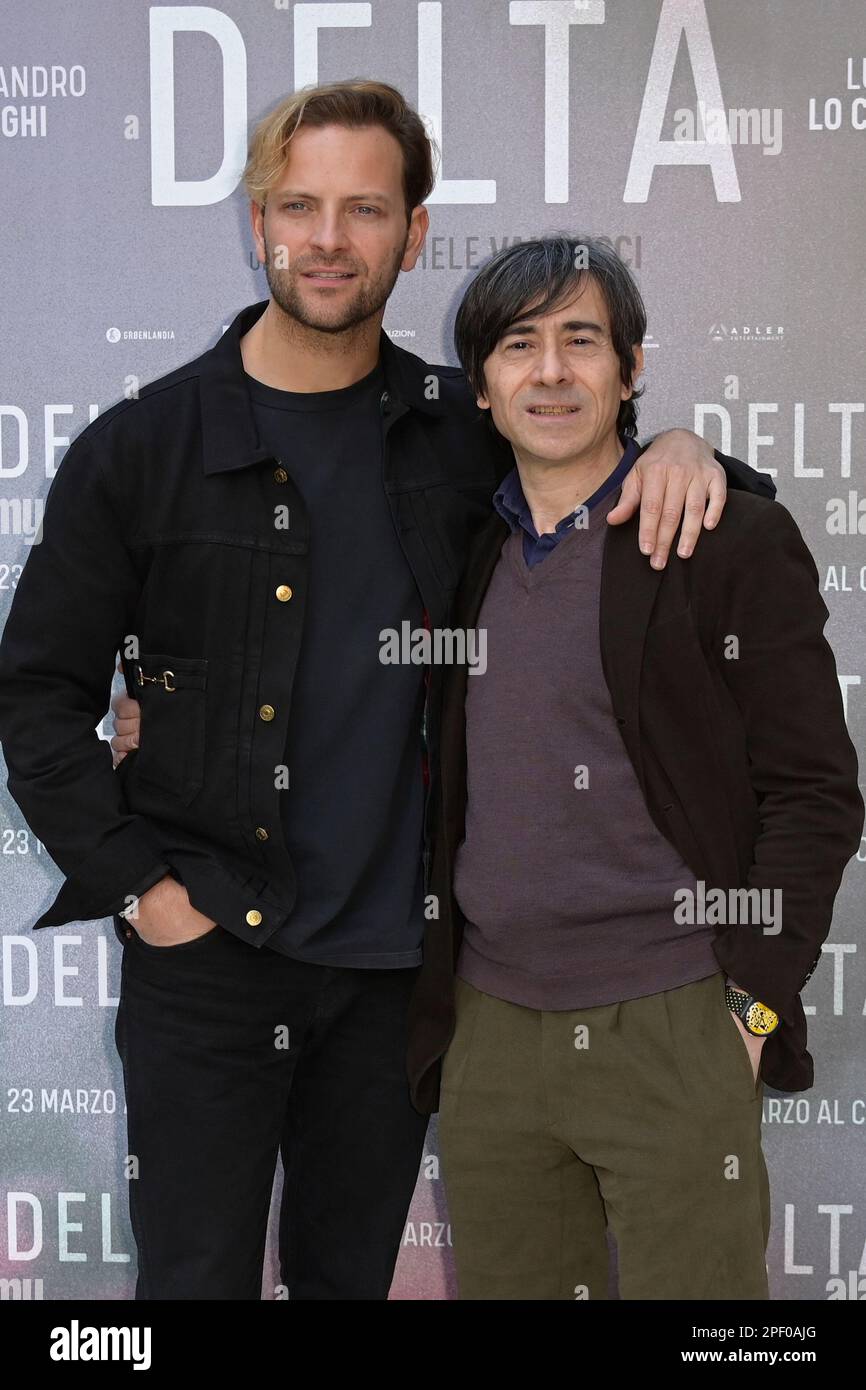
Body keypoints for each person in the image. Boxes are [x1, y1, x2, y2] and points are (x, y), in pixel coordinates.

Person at [0, 83, 770, 1301]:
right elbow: (36, 696)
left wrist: (684, 450)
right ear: (259, 222)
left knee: (344, 1280)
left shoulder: (459, 430)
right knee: (191, 1284)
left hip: (390, 978)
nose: (327, 238)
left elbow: (607, 453)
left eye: (364, 208)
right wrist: (144, 888)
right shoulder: (142, 449)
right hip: (207, 963)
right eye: (299, 205)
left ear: (412, 234)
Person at [405, 234, 864, 1299]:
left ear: (630, 366)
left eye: (581, 340)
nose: (552, 370)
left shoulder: (725, 539)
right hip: (491, 1034)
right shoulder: (465, 553)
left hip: (673, 1017)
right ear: (480, 387)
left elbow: (814, 790)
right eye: (519, 345)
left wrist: (746, 1007)